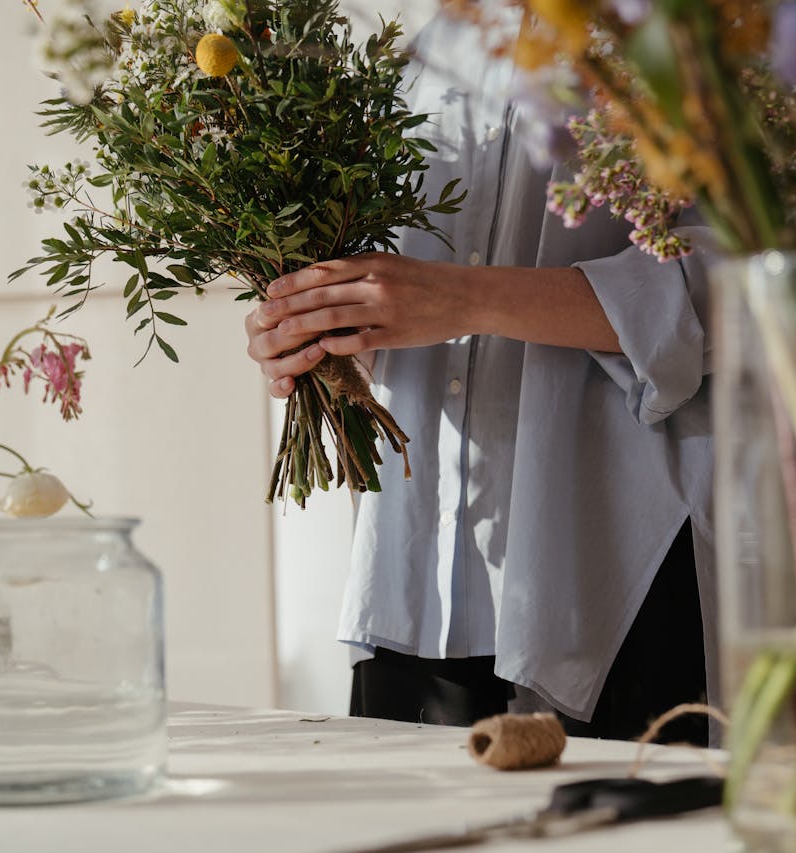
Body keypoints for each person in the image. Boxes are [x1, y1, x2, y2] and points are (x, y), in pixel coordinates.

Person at [244, 7, 717, 744]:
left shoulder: (684, 31)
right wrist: (318, 331)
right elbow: (396, 292)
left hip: (614, 568)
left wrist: (464, 298)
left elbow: (736, 286)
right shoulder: (412, 42)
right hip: (411, 581)